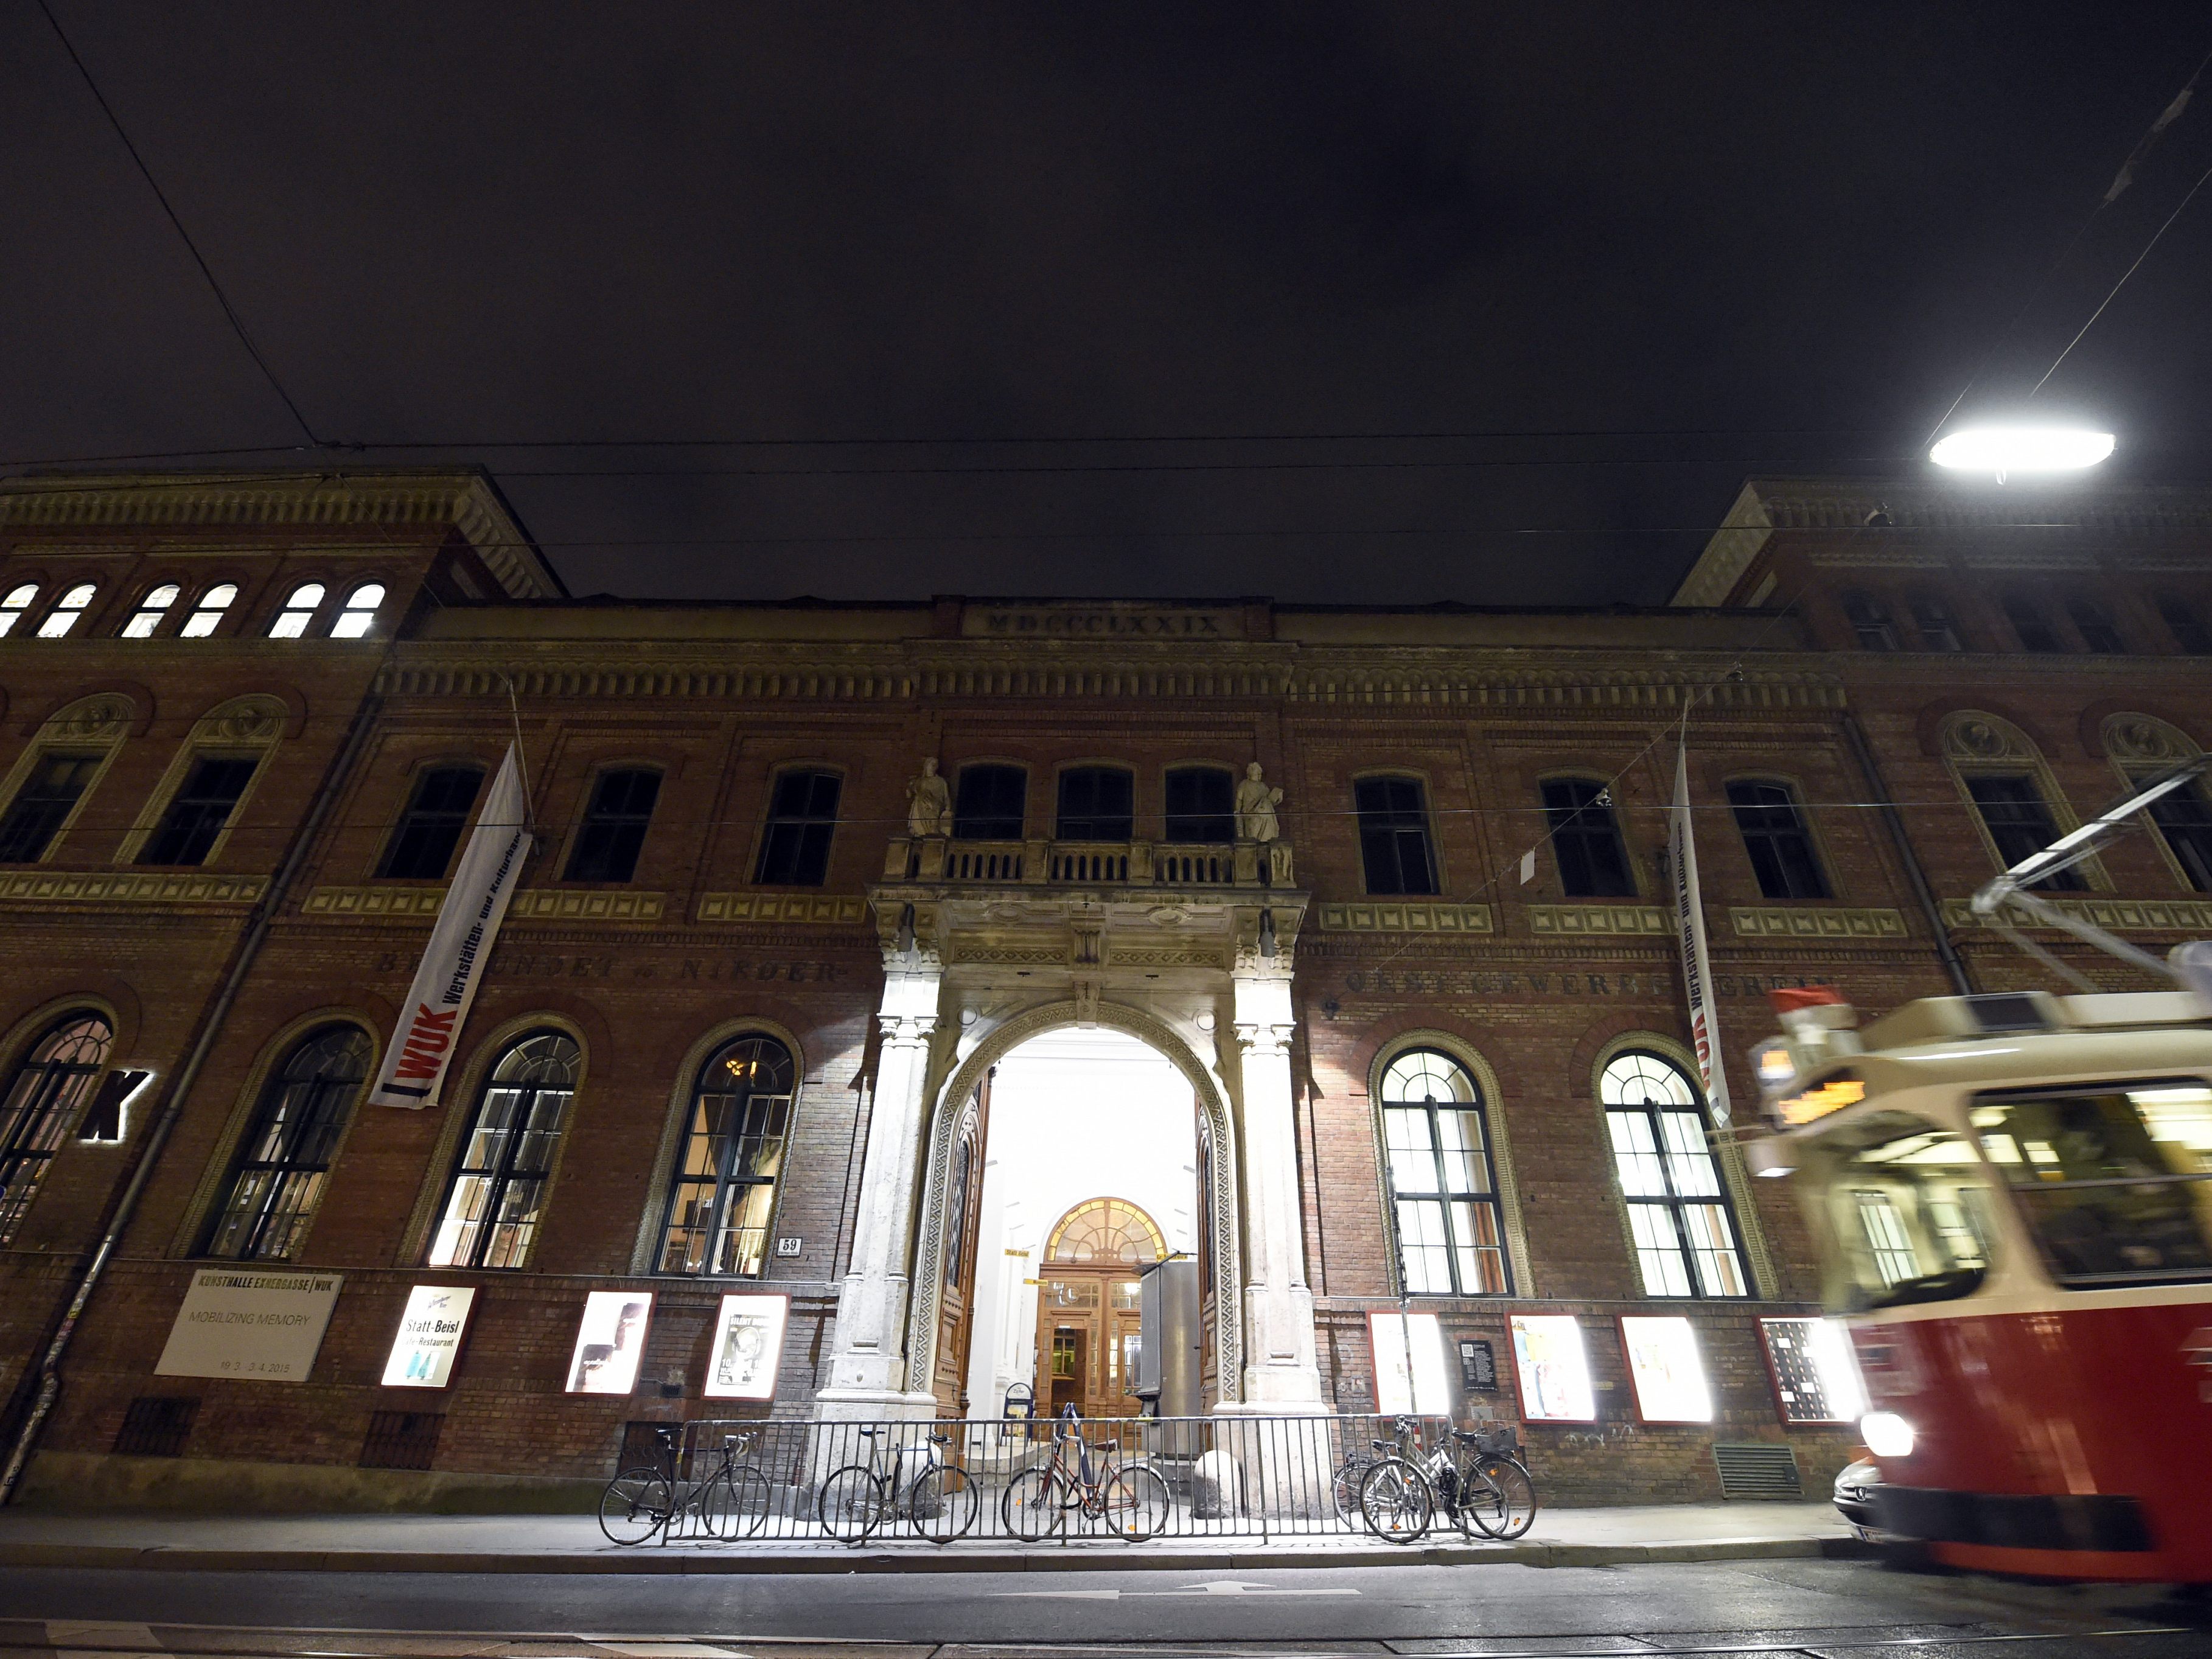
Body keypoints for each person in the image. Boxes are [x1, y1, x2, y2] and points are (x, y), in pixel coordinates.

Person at [1234, 761, 1282, 843]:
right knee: (1253, 838)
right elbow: (1239, 799)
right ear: (1249, 774)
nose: (1258, 775)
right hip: (1251, 813)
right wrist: (1238, 811)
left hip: (1266, 815)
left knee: (1267, 836)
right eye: (1255, 773)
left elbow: (1269, 801)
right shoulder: (1244, 784)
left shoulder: (1263, 786)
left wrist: (1278, 799)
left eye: (1258, 773)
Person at [906, 757, 952, 838]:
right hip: (920, 807)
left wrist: (948, 809)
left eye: (936, 764)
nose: (935, 766)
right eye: (932, 764)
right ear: (927, 765)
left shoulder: (941, 781)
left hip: (935, 808)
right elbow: (909, 795)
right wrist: (910, 786)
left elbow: (946, 796)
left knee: (933, 829)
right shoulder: (920, 781)